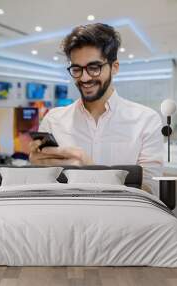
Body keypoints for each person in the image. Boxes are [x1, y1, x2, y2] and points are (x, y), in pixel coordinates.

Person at [29, 23, 164, 195]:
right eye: (77, 69)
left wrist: (90, 171)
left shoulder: (146, 120)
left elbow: (150, 191)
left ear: (114, 67)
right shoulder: (53, 120)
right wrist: (35, 169)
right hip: (65, 218)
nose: (84, 78)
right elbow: (43, 188)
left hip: (122, 220)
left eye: (94, 68)